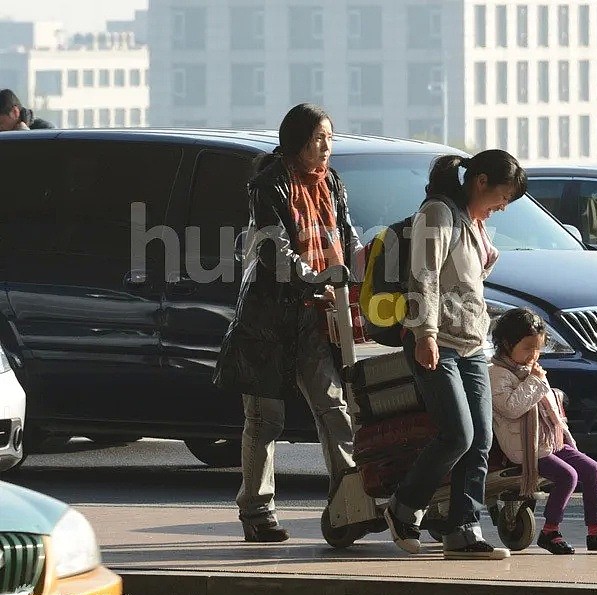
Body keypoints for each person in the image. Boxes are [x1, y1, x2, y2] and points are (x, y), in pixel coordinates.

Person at [213, 103, 363, 543]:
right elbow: (274, 250)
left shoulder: (332, 181)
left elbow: (346, 233)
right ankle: (257, 512)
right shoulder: (268, 185)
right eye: (319, 139)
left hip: (319, 315)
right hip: (270, 321)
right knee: (265, 420)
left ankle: (350, 503)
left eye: (330, 139)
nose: (326, 147)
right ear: (296, 140)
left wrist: (353, 270)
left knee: (334, 409)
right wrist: (315, 278)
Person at [382, 149, 526, 560]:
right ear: (479, 181)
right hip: (437, 341)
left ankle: (463, 530)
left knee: (480, 438)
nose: (503, 206)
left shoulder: (472, 221)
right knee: (457, 435)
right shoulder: (437, 213)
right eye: (502, 196)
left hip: (472, 343)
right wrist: (424, 332)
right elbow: (423, 275)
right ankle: (404, 506)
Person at [489, 308, 597, 555]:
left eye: (538, 349)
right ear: (507, 344)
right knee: (568, 476)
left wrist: (563, 433)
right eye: (527, 348)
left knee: (592, 469)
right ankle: (550, 531)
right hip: (525, 446)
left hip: (548, 441)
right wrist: (535, 382)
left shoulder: (528, 371)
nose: (533, 355)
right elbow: (511, 408)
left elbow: (548, 406)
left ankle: (596, 530)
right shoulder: (497, 373)